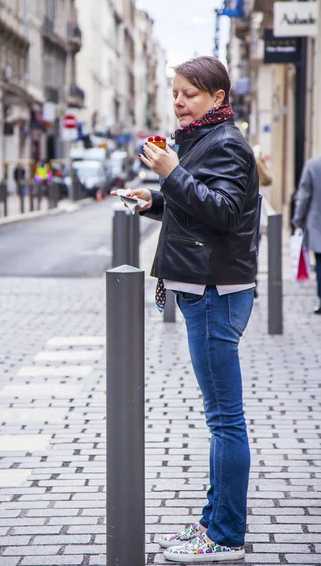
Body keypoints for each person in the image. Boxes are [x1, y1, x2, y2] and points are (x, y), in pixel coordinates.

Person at [123, 56, 259, 563]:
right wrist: (153, 200)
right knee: (221, 416)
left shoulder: (224, 143)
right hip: (206, 287)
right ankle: (213, 521)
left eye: (190, 94)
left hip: (213, 291)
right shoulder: (207, 139)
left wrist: (171, 171)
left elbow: (223, 212)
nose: (178, 102)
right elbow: (200, 203)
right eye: (175, 92)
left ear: (219, 98)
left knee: (225, 419)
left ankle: (224, 536)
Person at [292, 157, 321, 314]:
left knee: (320, 263)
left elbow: (304, 195)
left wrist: (298, 219)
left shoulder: (313, 165)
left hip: (317, 222)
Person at [252, 144, 273, 297]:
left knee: (253, 252)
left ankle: (253, 283)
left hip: (255, 216)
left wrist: (261, 165)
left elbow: (267, 180)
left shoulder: (256, 165)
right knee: (251, 252)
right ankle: (252, 283)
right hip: (250, 216)